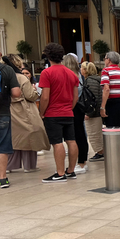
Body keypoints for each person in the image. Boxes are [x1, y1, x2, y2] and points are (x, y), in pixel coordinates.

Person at [38, 43, 79, 183]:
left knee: (57, 143)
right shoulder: (71, 73)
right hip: (68, 112)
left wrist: (41, 112)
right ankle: (71, 170)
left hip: (52, 113)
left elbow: (44, 97)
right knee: (71, 140)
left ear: (48, 56)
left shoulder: (46, 73)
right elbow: (75, 97)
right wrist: (69, 107)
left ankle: (60, 173)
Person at [3, 55, 49, 175]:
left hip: (8, 109)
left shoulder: (3, 75)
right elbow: (30, 95)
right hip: (24, 110)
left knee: (13, 139)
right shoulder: (21, 78)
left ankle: (9, 166)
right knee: (30, 137)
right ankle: (29, 165)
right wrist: (35, 91)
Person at [62, 54, 89, 174]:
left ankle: (81, 163)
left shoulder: (71, 76)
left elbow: (74, 95)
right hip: (78, 108)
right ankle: (81, 161)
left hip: (73, 107)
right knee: (79, 135)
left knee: (77, 136)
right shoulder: (79, 75)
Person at [0, 56, 21, 188]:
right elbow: (16, 93)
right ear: (0, 55)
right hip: (2, 113)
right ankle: (2, 178)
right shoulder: (7, 69)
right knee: (2, 147)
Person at [81, 62, 104, 162]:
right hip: (97, 112)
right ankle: (100, 151)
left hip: (94, 113)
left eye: (81, 68)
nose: (80, 70)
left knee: (94, 133)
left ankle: (100, 152)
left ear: (86, 70)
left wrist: (88, 113)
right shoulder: (96, 80)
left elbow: (92, 99)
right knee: (96, 133)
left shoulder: (90, 81)